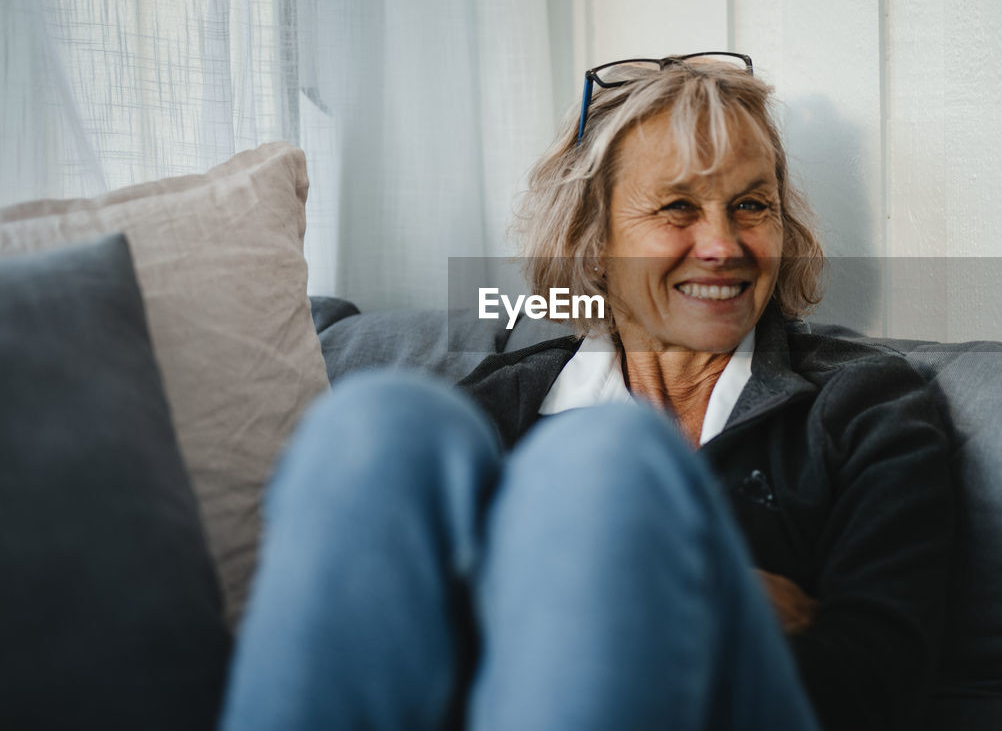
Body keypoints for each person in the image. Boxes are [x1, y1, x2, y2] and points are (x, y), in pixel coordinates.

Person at [219, 54, 955, 731]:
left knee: (606, 458)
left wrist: (665, 588)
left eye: (751, 206)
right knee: (373, 421)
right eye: (676, 208)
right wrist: (700, 588)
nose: (724, 245)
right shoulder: (501, 405)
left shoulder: (866, 408)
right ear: (594, 239)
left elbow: (880, 687)